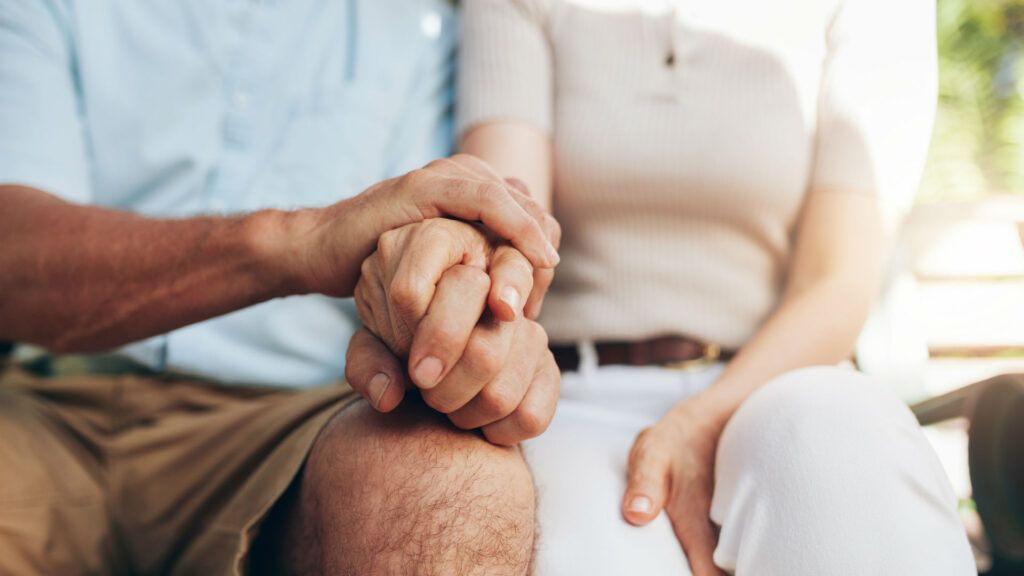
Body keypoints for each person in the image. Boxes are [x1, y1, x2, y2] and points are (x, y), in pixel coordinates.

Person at [350, 0, 978, 574]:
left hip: (778, 382)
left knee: (847, 450)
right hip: (568, 399)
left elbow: (838, 283)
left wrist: (700, 421)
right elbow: (508, 216)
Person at [0, 2, 560, 574]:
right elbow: (10, 257)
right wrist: (300, 241)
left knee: (452, 488)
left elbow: (450, 233)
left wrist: (453, 295)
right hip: (50, 410)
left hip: (302, 419)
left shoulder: (438, 25)